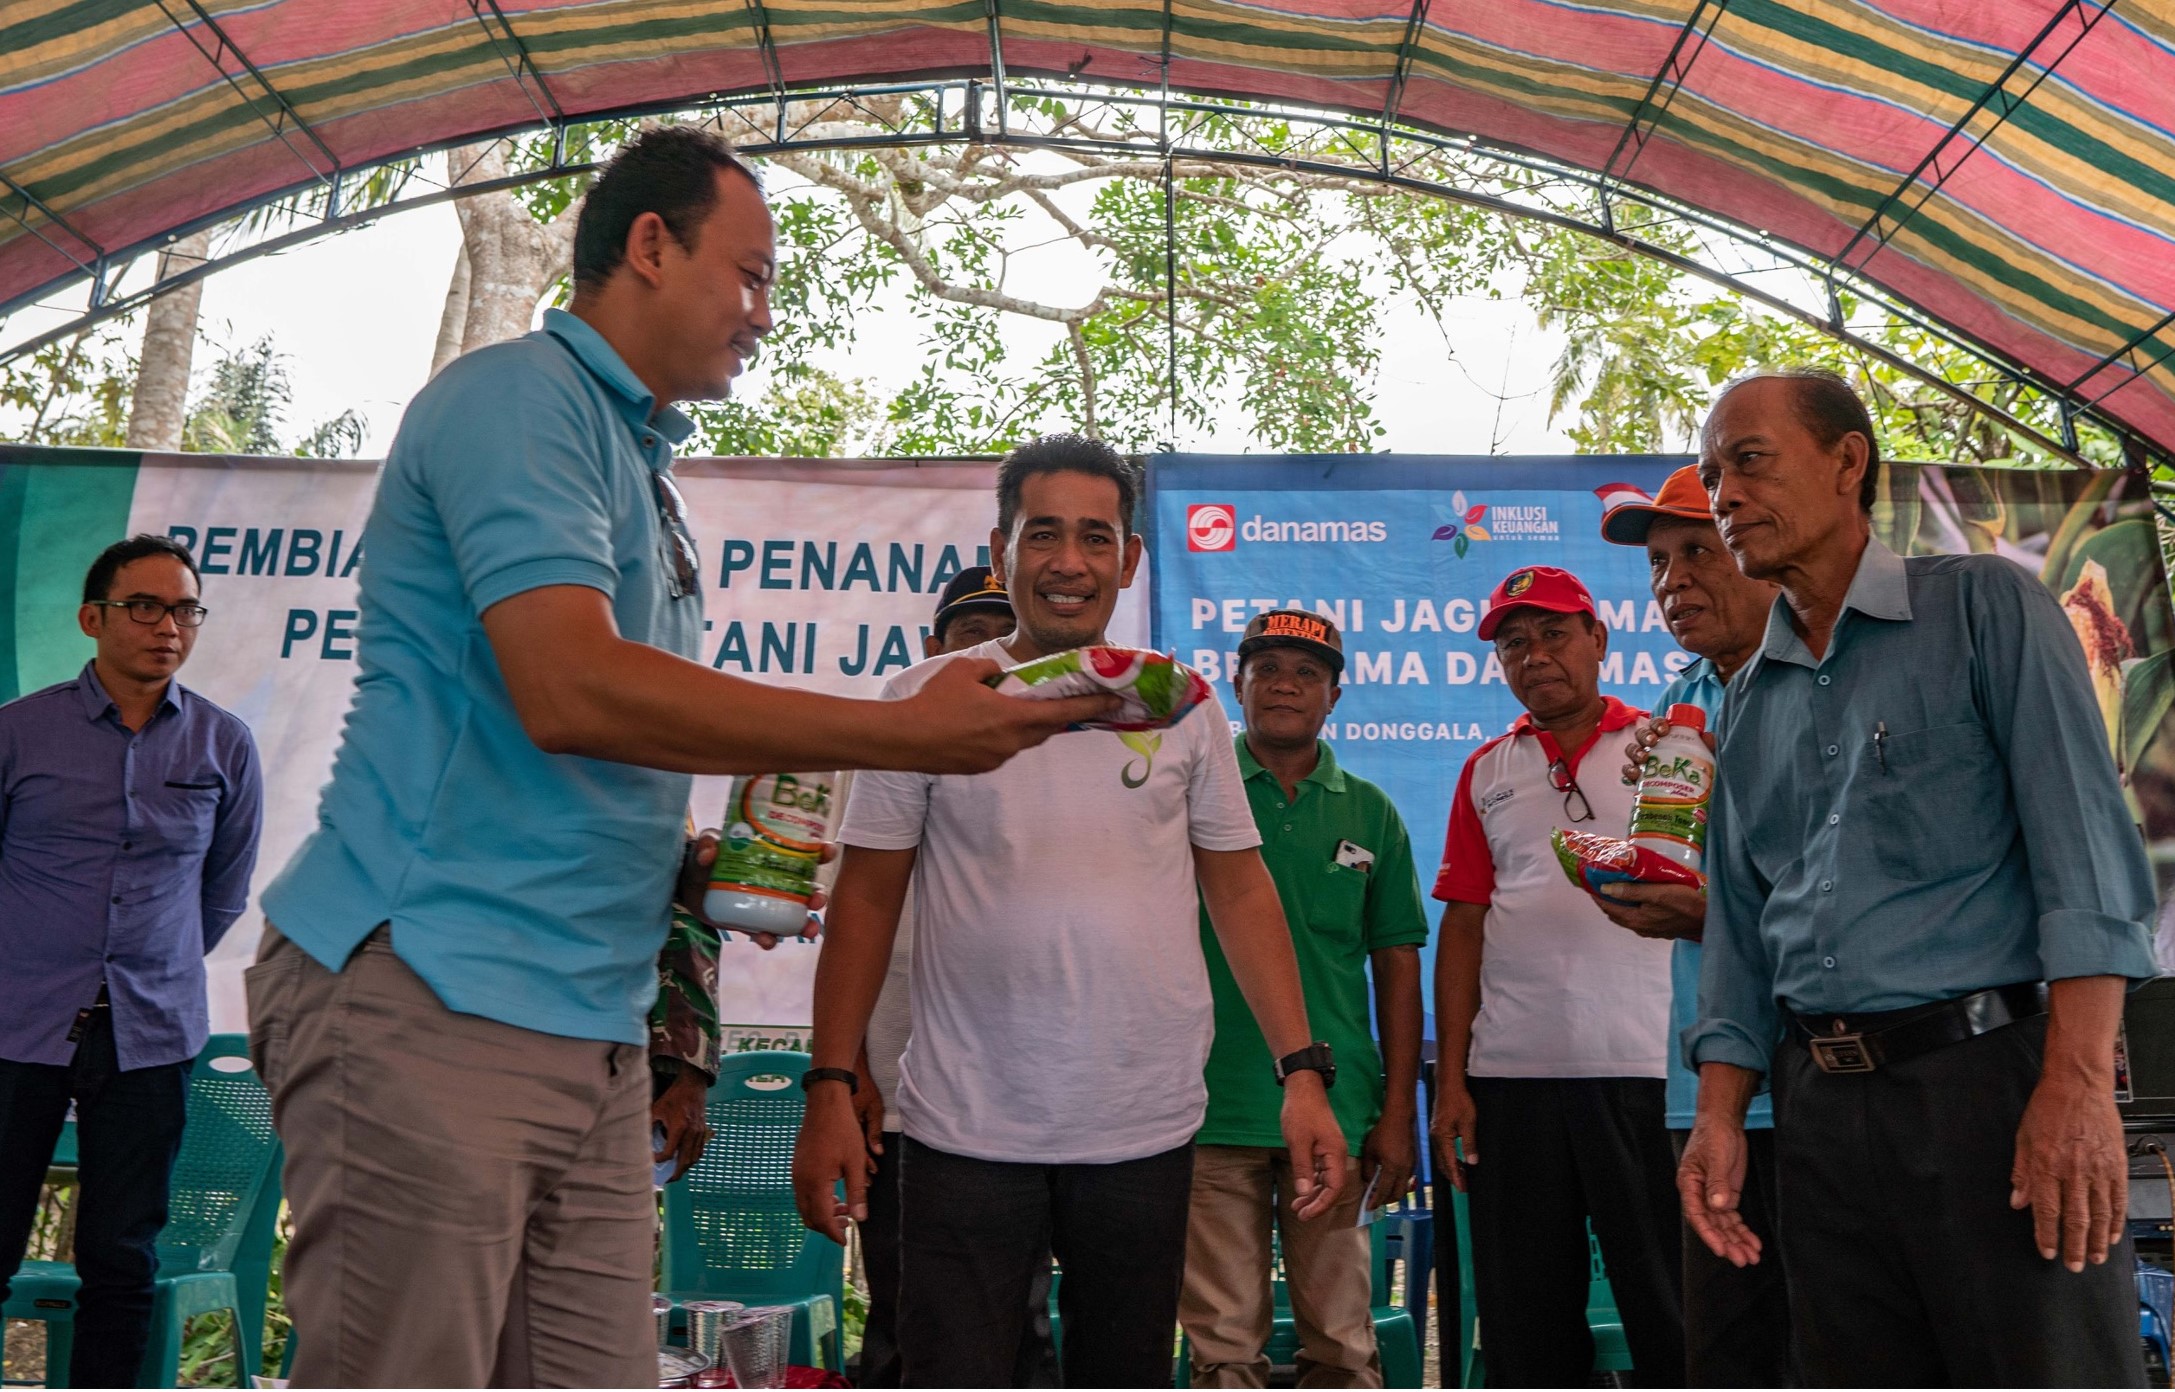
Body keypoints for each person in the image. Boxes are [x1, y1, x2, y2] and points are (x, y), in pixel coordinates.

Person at [244, 128, 1112, 1389]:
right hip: (429, 988)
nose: (762, 316)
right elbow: (570, 689)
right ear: (649, 246)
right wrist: (897, 735)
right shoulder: (516, 400)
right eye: (749, 275)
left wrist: (693, 869)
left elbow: (589, 750)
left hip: (590, 1026)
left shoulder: (645, 469)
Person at [792, 434, 1349, 1389]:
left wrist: (1302, 1073)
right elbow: (867, 896)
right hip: (963, 1131)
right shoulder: (922, 701)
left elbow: (1239, 888)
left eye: (1096, 538)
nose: (1067, 562)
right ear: (1000, 545)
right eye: (1041, 534)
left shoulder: (1180, 706)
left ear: (1129, 559)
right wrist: (830, 1085)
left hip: (1142, 1129)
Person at [1680, 369, 2159, 1386]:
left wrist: (2075, 1089)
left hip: (1991, 1085)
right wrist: (1721, 1116)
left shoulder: (1985, 607)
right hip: (1820, 1112)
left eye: (1750, 461)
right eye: (1713, 473)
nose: (1725, 496)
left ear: (1848, 461)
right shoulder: (1747, 701)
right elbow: (1738, 929)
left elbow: (2085, 856)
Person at [0, 534, 263, 1387]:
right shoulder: (19, 733)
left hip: (150, 1036)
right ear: (93, 618)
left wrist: (154, 966)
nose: (168, 626)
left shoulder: (225, 745)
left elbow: (221, 894)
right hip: (16, 1023)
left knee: (122, 1256)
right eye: (144, 606)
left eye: (185, 608)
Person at [1428, 565, 1684, 1388]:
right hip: (1512, 1080)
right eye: (1513, 643)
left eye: (1552, 634)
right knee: (1525, 1324)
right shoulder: (1486, 771)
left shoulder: (1666, 748)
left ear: (1598, 640)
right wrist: (1455, 1081)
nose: (1533, 655)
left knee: (1672, 1310)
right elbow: (1463, 924)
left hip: (1648, 1073)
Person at [1179, 609, 1428, 1389]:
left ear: (1335, 697)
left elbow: (1395, 966)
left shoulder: (1370, 812)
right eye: (1267, 668)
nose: (1285, 683)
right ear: (1236, 684)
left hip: (1340, 1116)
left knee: (1345, 1346)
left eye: (1307, 672)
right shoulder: (1190, 795)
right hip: (1208, 1104)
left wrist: (1393, 1114)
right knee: (1223, 1349)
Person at [1596, 468, 1792, 1386]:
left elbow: (1841, 902)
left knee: (1841, 1348)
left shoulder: (1821, 684)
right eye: (1659, 562)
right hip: (1706, 1098)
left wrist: (1704, 911)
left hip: (1823, 1085)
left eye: (1697, 552)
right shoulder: (1684, 706)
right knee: (1724, 1353)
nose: (1671, 581)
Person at [845, 565, 1059, 1389]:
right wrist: (848, 1070)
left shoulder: (1054, 763)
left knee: (1021, 1324)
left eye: (1001, 637)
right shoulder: (879, 752)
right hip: (896, 1102)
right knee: (904, 1318)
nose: (987, 654)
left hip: (1016, 1101)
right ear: (932, 650)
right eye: (968, 637)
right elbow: (845, 923)